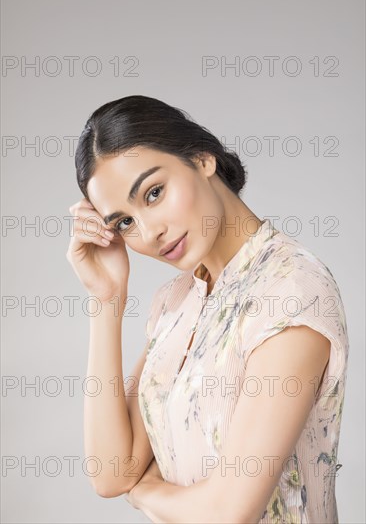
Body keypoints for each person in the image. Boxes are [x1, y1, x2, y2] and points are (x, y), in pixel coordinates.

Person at [67, 95, 349, 523]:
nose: (149, 231)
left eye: (154, 193)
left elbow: (228, 512)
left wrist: (145, 494)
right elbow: (111, 473)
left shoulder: (290, 291)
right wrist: (106, 299)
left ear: (202, 159)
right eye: (123, 222)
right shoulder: (175, 302)